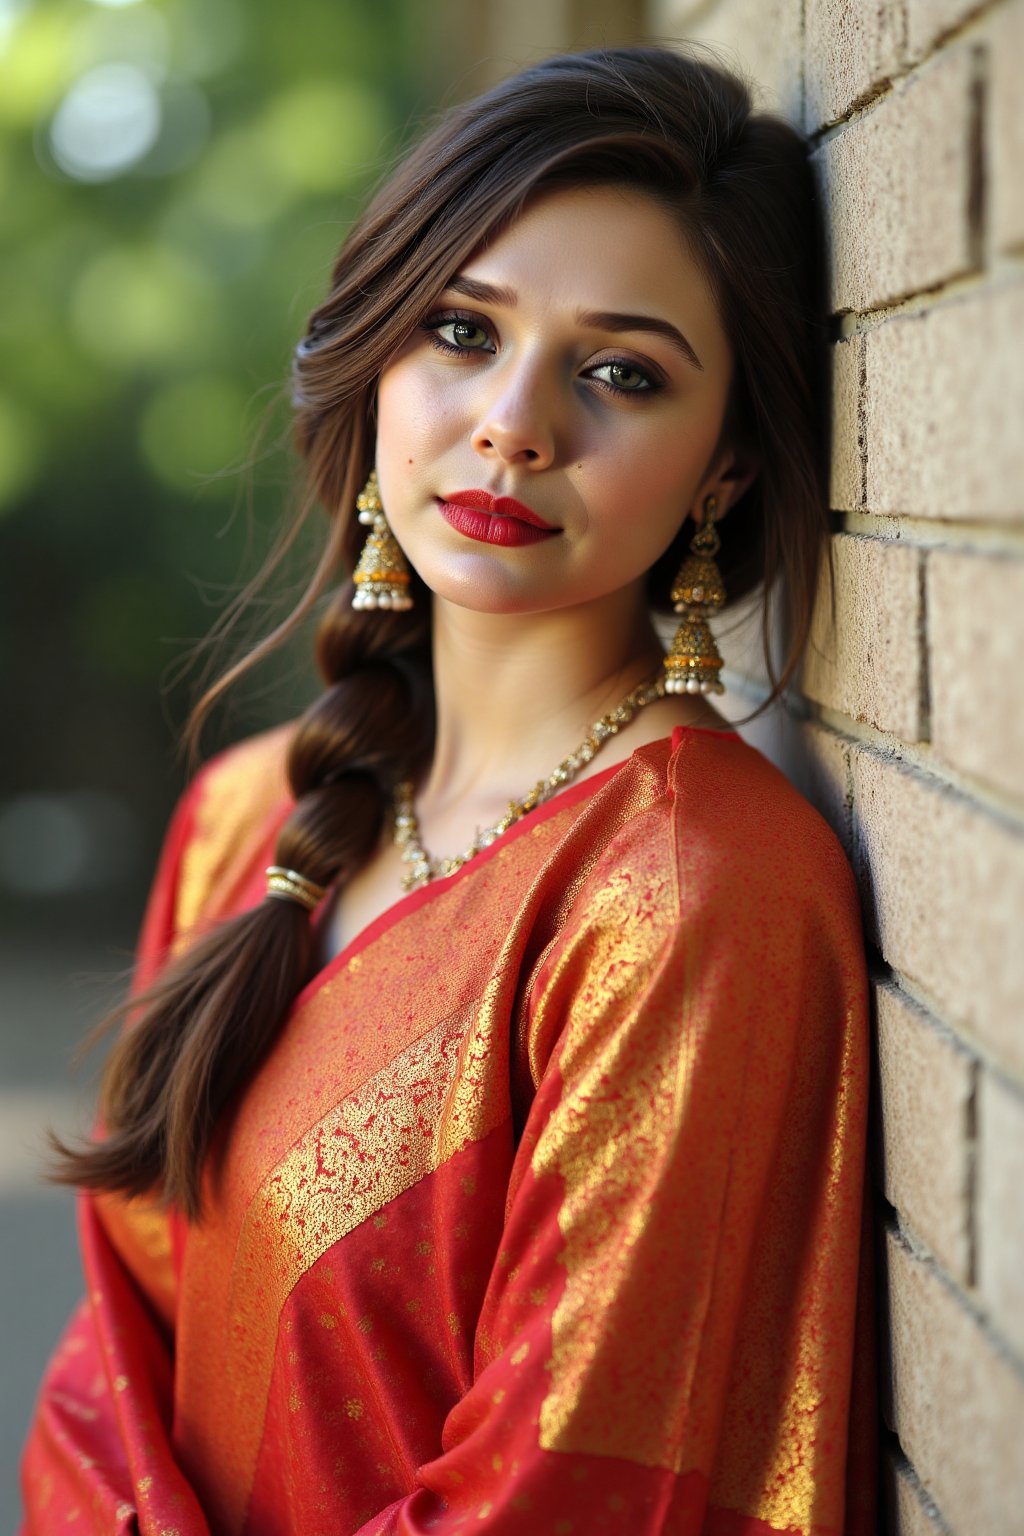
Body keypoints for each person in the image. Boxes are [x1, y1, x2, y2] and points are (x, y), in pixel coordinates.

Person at [20, 45, 876, 1536]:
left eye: (622, 371)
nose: (516, 423)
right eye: (461, 331)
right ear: (376, 362)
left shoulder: (688, 889)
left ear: (727, 466)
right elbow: (109, 1354)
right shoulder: (250, 814)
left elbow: (579, 1486)